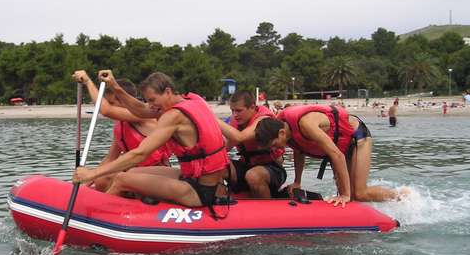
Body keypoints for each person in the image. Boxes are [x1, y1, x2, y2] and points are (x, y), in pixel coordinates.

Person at [73, 71, 229, 211]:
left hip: (201, 191)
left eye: (153, 100)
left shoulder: (174, 116)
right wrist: (114, 85)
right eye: (148, 101)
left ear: (167, 92)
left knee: (121, 179)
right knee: (132, 172)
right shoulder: (193, 101)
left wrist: (92, 173)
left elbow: (139, 154)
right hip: (196, 178)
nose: (151, 106)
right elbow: (141, 109)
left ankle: (94, 214)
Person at [254, 104, 400, 207]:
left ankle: (401, 196)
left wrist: (345, 195)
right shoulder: (285, 130)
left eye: (274, 144)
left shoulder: (306, 124)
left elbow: (337, 155)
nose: (275, 149)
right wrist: (297, 181)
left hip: (357, 136)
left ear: (281, 133)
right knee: (349, 199)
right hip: (339, 146)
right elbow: (299, 150)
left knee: (359, 194)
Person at [73, 70, 170, 192]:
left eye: (112, 102)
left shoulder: (142, 116)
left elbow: (106, 110)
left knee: (109, 177)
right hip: (136, 172)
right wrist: (88, 182)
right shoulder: (121, 125)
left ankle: (108, 200)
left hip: (156, 175)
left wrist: (88, 81)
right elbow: (110, 158)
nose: (110, 105)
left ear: (123, 101)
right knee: (101, 179)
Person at [216, 90, 286, 198]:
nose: (235, 115)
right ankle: (221, 201)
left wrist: (211, 118)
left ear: (252, 107)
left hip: (272, 169)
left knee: (253, 175)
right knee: (215, 164)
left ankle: (268, 206)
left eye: (239, 111)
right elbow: (223, 148)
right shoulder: (236, 122)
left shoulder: (263, 120)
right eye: (232, 110)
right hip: (247, 166)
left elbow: (240, 137)